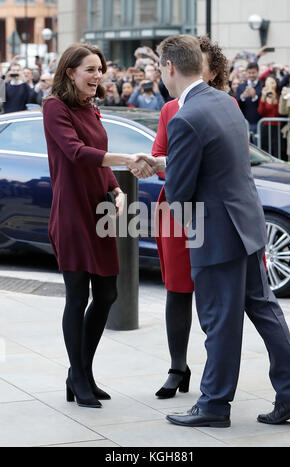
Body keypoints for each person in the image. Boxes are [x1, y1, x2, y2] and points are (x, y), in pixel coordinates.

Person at [156, 34, 290, 428]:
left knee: (220, 319)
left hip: (216, 231)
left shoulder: (185, 117)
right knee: (264, 308)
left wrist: (158, 168)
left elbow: (181, 190)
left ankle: (214, 404)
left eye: (160, 68)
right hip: (246, 223)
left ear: (170, 67)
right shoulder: (226, 103)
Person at [43, 43, 155, 409]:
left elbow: (99, 160)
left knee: (107, 294)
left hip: (100, 213)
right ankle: (79, 375)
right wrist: (128, 159)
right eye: (90, 69)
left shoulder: (93, 108)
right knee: (77, 296)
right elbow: (76, 153)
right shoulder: (54, 107)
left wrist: (116, 188)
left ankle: (81, 373)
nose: (98, 76)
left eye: (100, 69)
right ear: (70, 72)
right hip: (72, 214)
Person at [152, 35, 230, 400]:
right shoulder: (170, 110)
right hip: (177, 213)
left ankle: (215, 378)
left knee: (214, 296)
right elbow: (159, 157)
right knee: (177, 292)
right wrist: (172, 166)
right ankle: (177, 367)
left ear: (214, 72)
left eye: (206, 66)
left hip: (211, 212)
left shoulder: (225, 106)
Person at [236, 62, 263, 142]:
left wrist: (255, 96)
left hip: (258, 122)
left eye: (253, 73)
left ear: (257, 72)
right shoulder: (240, 87)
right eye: (249, 73)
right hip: (244, 122)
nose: (251, 75)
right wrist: (242, 97)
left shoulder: (262, 85)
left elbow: (264, 104)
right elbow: (236, 103)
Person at [258, 75, 281, 157]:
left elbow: (278, 113)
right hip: (265, 126)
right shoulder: (263, 95)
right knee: (265, 149)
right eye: (268, 82)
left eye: (272, 83)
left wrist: (274, 100)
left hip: (277, 127)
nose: (270, 85)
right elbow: (261, 112)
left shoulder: (279, 95)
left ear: (276, 84)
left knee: (276, 150)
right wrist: (263, 97)